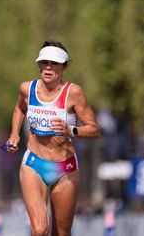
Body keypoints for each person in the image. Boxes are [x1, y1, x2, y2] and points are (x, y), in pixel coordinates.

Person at [6, 41, 100, 235]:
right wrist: (14, 134)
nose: (48, 68)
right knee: (40, 229)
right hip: (34, 163)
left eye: (55, 63)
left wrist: (71, 130)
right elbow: (19, 108)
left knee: (62, 232)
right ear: (38, 64)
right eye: (44, 62)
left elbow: (94, 129)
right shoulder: (27, 89)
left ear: (65, 67)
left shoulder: (73, 93)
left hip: (64, 167)